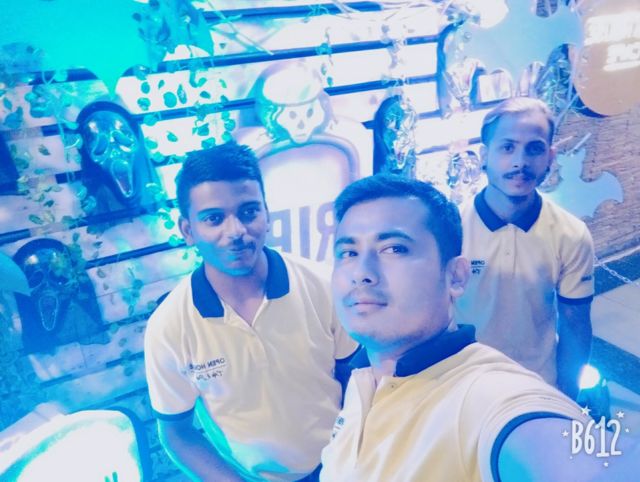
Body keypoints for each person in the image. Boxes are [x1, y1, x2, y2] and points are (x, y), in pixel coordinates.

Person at [319, 174, 637, 481]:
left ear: (456, 276)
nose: (361, 272)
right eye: (349, 252)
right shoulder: (364, 376)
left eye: (395, 248)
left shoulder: (486, 398)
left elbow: (579, 461)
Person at [144, 142, 358, 482]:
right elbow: (177, 433)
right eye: (214, 218)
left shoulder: (322, 285)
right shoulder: (169, 327)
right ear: (188, 230)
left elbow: (356, 379)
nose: (236, 232)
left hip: (342, 465)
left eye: (248, 212)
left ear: (266, 214)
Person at [454, 97, 594, 399]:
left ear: (550, 157)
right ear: (484, 156)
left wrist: (566, 396)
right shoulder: (451, 228)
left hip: (537, 385)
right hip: (462, 384)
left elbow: (575, 324)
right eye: (507, 147)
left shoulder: (571, 234)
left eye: (534, 149)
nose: (520, 162)